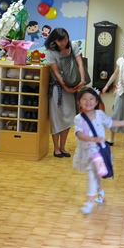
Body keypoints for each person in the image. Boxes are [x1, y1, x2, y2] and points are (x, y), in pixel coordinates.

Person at [73, 87, 124, 214]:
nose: (88, 101)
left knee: (92, 174)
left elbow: (110, 123)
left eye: (91, 99)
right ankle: (100, 191)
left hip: (99, 153)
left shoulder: (100, 114)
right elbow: (78, 134)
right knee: (95, 173)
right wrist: (92, 139)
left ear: (96, 102)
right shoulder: (78, 118)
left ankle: (89, 203)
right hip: (87, 152)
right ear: (79, 102)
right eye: (84, 99)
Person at [45, 28, 86, 158]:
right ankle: (56, 148)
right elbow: (56, 73)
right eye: (60, 40)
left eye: (65, 39)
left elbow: (80, 63)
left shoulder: (73, 46)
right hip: (58, 87)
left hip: (73, 84)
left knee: (69, 116)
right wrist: (65, 87)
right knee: (57, 117)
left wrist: (82, 80)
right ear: (54, 40)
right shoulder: (51, 52)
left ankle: (63, 147)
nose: (63, 43)